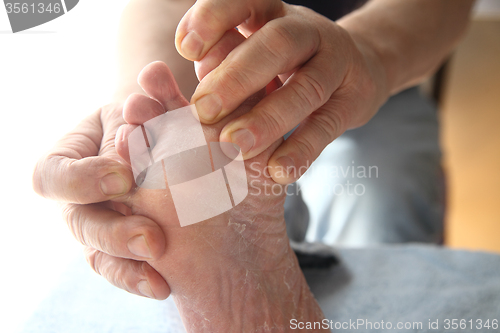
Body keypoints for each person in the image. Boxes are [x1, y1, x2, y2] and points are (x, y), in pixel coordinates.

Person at [29, 0, 500, 331]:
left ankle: (246, 252)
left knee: (385, 183)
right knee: (231, 171)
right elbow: (164, 6)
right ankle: (238, 249)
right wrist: (144, 124)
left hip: (378, 69)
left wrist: (372, 53)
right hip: (229, 91)